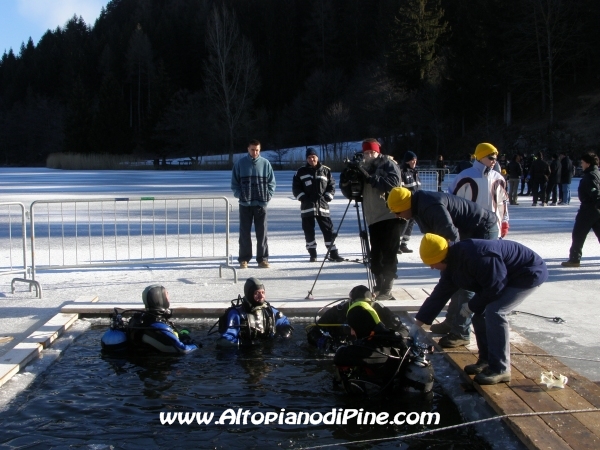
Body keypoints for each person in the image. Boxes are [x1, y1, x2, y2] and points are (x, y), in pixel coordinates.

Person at [410, 234, 548, 385]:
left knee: (496, 312)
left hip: (527, 274)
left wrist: (471, 305)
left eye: (433, 263)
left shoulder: (479, 256)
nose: (431, 267)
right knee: (479, 314)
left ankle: (500, 369)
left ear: (443, 257)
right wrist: (417, 324)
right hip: (503, 278)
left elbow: (496, 287)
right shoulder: (452, 263)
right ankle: (486, 360)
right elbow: (439, 294)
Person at [333, 285, 434, 395]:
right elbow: (402, 331)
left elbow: (340, 357)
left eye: (353, 328)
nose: (352, 332)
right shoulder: (390, 342)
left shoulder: (364, 351)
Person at [348, 138, 402, 300]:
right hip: (372, 216)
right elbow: (354, 192)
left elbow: (394, 184)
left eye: (372, 152)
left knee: (389, 252)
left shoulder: (388, 164)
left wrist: (371, 177)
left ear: (378, 151)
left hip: (390, 214)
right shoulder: (364, 166)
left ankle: (387, 287)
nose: (369, 155)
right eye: (366, 152)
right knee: (376, 254)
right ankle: (378, 285)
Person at [306, 285, 408, 353]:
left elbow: (403, 329)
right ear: (350, 302)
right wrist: (327, 344)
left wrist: (394, 337)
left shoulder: (379, 309)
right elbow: (313, 331)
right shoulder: (339, 310)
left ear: (372, 302)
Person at [101, 285, 200, 354]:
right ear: (159, 299)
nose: (169, 299)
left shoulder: (140, 318)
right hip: (155, 368)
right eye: (166, 295)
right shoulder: (157, 327)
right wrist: (196, 345)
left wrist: (182, 335)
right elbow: (182, 350)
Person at [387, 187, 499, 242]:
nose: (397, 216)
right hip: (469, 228)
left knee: (480, 267)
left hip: (483, 226)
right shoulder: (417, 205)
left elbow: (451, 235)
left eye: (398, 212)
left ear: (406, 206)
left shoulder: (431, 207)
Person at [292, 147, 343, 262]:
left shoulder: (325, 170)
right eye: (309, 157)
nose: (311, 159)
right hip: (307, 207)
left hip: (322, 206)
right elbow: (296, 188)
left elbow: (332, 185)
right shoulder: (300, 172)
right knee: (308, 231)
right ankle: (312, 253)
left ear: (317, 157)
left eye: (313, 157)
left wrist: (327, 197)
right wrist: (303, 198)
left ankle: (333, 253)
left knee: (328, 230)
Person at [231, 139, 276, 269]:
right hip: (245, 204)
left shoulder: (266, 164)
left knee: (262, 233)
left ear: (260, 150)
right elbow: (234, 184)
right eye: (252, 149)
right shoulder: (240, 164)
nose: (255, 152)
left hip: (261, 204)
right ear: (248, 149)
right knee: (244, 233)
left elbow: (272, 183)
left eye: (257, 150)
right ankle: (244, 259)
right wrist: (240, 195)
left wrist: (267, 196)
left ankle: (262, 259)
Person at [216, 277, 293, 347]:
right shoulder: (236, 314)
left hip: (266, 354)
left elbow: (284, 322)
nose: (261, 296)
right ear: (249, 294)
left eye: (263, 292)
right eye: (257, 293)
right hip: (244, 356)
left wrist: (286, 331)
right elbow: (225, 340)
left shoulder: (269, 311)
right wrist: (245, 344)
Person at [561, 152, 600, 267]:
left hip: (589, 210)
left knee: (578, 234)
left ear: (588, 163)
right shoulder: (597, 173)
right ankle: (574, 258)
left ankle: (574, 259)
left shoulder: (591, 176)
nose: (581, 165)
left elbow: (595, 193)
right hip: (596, 210)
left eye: (582, 162)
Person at [398, 151, 421, 254]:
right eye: (412, 160)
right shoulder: (402, 172)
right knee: (403, 224)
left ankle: (404, 244)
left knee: (411, 224)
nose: (414, 162)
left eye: (415, 160)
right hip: (405, 203)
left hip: (414, 203)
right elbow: (400, 188)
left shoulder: (415, 172)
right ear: (407, 161)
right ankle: (396, 245)